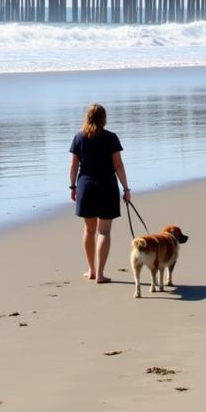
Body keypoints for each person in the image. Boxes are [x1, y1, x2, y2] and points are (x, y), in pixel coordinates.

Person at [69, 103, 131, 283]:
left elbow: (73, 166)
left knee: (89, 230)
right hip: (107, 186)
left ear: (87, 117)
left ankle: (91, 270)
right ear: (104, 118)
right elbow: (118, 165)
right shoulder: (111, 138)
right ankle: (101, 273)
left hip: (85, 186)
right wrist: (126, 189)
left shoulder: (79, 137)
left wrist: (72, 187)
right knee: (104, 231)